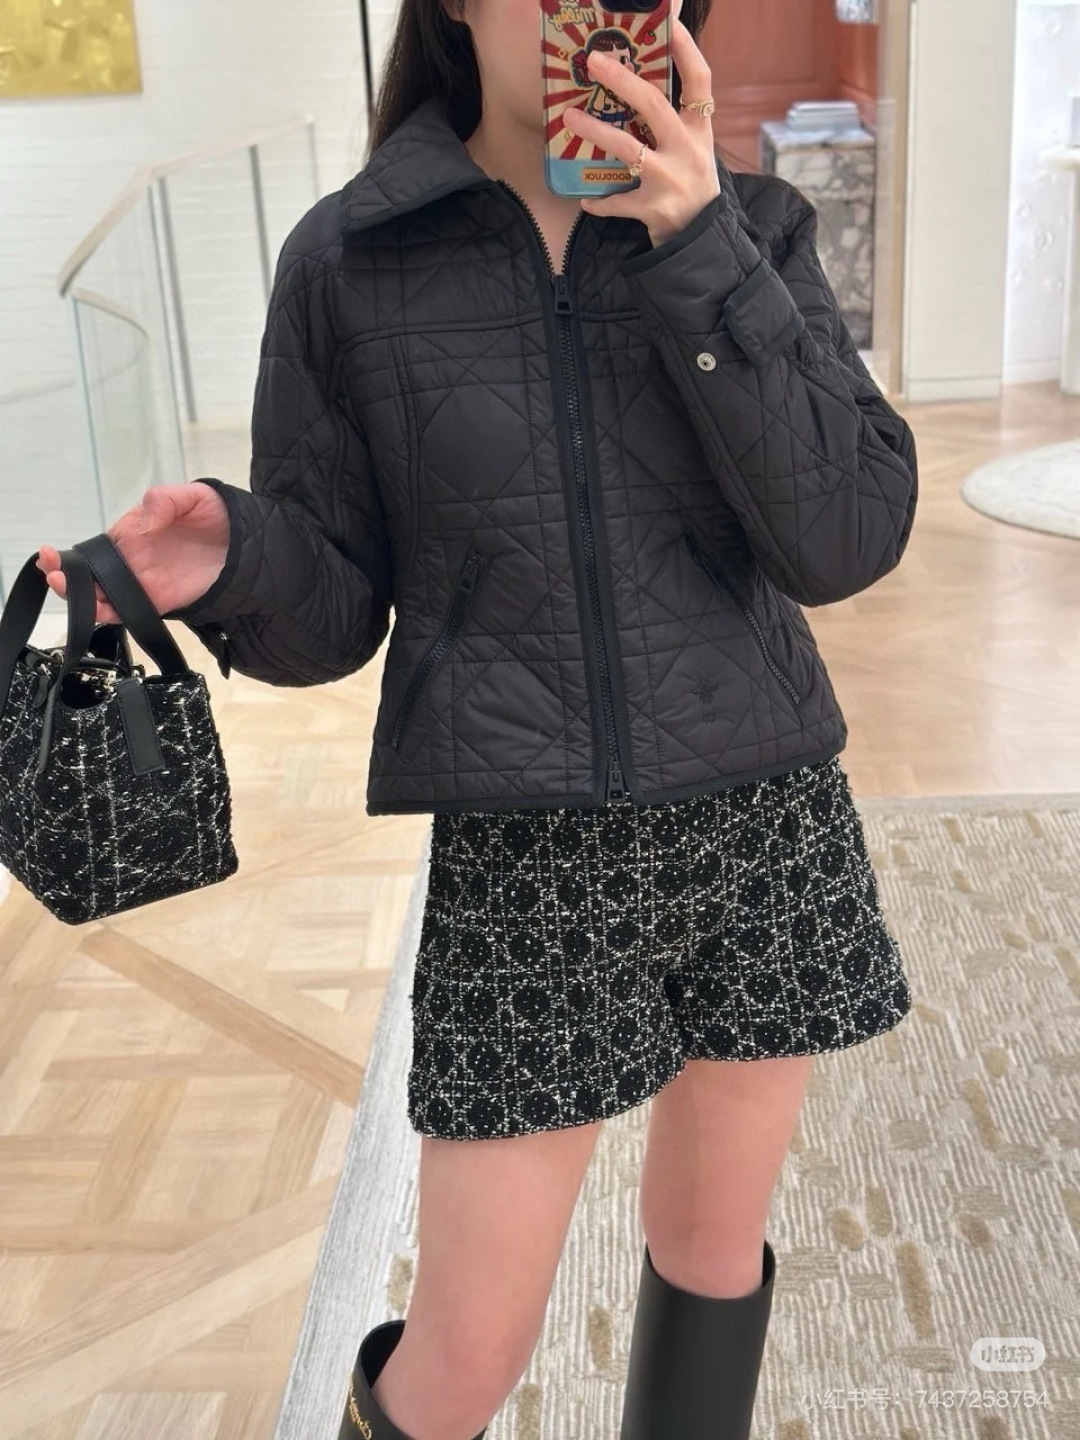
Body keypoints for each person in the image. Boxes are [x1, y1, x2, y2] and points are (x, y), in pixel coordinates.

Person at [37, 1, 919, 1436]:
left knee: (712, 1255)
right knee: (466, 1354)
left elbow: (847, 536)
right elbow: (337, 610)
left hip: (764, 823)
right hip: (526, 864)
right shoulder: (349, 260)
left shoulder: (752, 227)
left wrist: (699, 244)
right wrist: (237, 559)